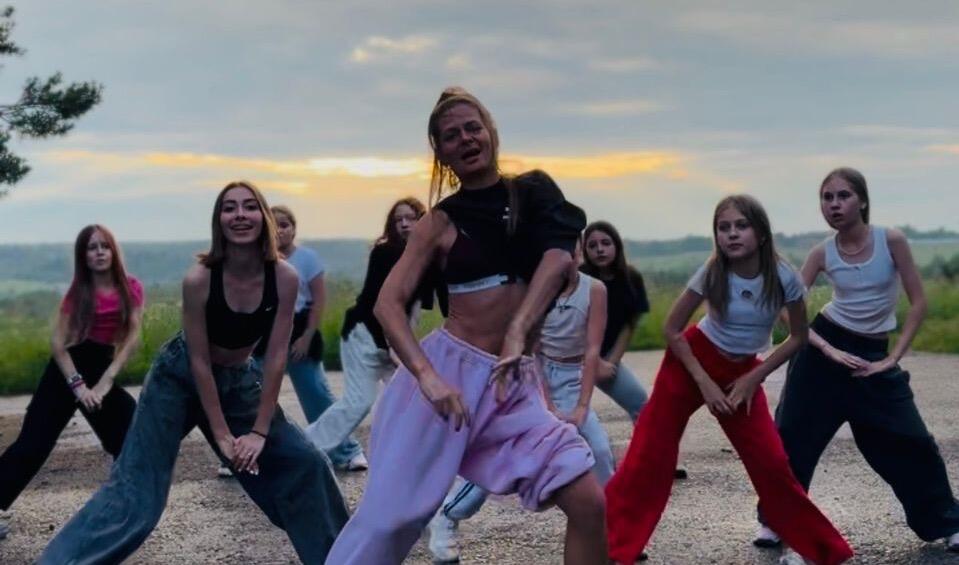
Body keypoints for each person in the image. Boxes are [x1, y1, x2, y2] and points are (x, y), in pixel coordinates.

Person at [324, 87, 606, 564]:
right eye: (452, 135)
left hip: (511, 383)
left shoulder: (533, 193)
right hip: (448, 378)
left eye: (473, 127)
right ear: (441, 153)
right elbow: (388, 305)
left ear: (491, 131)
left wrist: (518, 331)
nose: (467, 139)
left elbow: (559, 257)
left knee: (588, 503)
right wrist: (428, 378)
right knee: (389, 522)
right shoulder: (438, 222)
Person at [39, 181, 348, 564]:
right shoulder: (200, 279)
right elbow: (198, 362)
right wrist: (222, 435)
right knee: (137, 496)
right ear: (219, 221)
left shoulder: (284, 277)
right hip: (178, 377)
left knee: (305, 464)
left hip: (238, 379)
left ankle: (343, 559)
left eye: (249, 206)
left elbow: (275, 355)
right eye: (229, 208)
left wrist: (259, 432)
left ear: (263, 217)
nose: (240, 215)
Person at [605, 195, 854, 565]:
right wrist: (704, 383)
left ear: (761, 233)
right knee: (650, 453)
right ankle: (610, 543)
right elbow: (672, 329)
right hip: (690, 363)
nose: (732, 234)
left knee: (772, 463)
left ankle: (822, 550)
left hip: (742, 374)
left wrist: (754, 377)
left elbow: (798, 337)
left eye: (741, 226)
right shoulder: (712, 272)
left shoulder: (784, 277)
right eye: (724, 228)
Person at [753, 167, 959, 555]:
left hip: (873, 356)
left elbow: (918, 302)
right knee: (793, 437)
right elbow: (786, 306)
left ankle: (949, 524)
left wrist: (892, 358)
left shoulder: (890, 240)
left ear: (862, 200)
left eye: (843, 196)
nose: (834, 204)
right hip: (823, 353)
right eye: (827, 197)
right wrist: (824, 347)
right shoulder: (822, 252)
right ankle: (775, 521)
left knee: (912, 440)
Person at [428, 241, 615, 562]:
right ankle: (448, 514)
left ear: (579, 253)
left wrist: (583, 406)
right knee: (511, 458)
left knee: (598, 449)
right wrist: (547, 404)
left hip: (573, 377)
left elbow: (592, 350)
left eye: (573, 247)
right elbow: (532, 349)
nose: (567, 256)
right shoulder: (534, 284)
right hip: (537, 377)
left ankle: (610, 532)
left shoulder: (594, 289)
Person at [0, 225, 142, 541]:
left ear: (113, 250)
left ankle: (122, 507)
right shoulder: (78, 293)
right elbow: (58, 344)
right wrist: (78, 386)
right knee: (33, 443)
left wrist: (105, 383)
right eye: (92, 247)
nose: (100, 252)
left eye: (105, 246)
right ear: (84, 256)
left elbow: (132, 338)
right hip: (67, 369)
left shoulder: (131, 287)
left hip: (102, 365)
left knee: (129, 430)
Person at [303, 197, 442, 470]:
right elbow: (376, 303)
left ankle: (408, 456)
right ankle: (304, 449)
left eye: (410, 218)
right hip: (364, 335)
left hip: (393, 338)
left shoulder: (427, 260)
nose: (404, 224)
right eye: (398, 219)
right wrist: (392, 344)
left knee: (411, 396)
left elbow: (415, 308)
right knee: (359, 401)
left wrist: (404, 344)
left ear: (422, 220)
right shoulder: (385, 253)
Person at [245, 205, 364, 474]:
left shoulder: (308, 258)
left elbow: (318, 300)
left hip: (300, 329)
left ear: (294, 229)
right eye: (274, 225)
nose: (280, 231)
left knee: (317, 393)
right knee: (250, 395)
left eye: (285, 225)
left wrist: (307, 337)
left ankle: (348, 451)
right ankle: (243, 454)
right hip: (265, 331)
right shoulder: (257, 260)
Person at [581, 221, 688, 479]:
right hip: (575, 360)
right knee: (573, 417)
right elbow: (572, 325)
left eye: (605, 243)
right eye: (592, 245)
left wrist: (612, 362)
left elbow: (629, 325)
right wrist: (592, 361)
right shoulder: (580, 279)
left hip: (607, 358)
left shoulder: (631, 278)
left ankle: (656, 461)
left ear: (616, 246)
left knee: (643, 405)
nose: (600, 249)